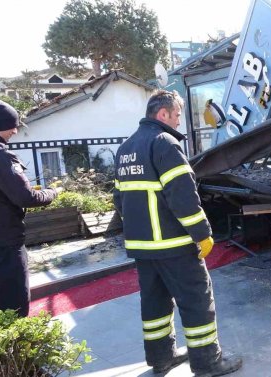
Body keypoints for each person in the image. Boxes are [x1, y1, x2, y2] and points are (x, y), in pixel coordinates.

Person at [113, 90, 242, 376]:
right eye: (177, 115)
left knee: (155, 301)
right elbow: (182, 196)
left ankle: (161, 358)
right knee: (197, 300)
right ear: (163, 114)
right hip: (174, 245)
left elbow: (119, 199)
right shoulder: (165, 143)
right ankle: (207, 362)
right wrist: (202, 233)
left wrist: (140, 229)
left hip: (142, 247)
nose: (179, 122)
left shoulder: (126, 148)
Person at [0, 98, 61, 317]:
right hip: (4, 243)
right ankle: (16, 350)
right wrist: (53, 192)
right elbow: (26, 197)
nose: (15, 132)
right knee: (13, 307)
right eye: (12, 126)